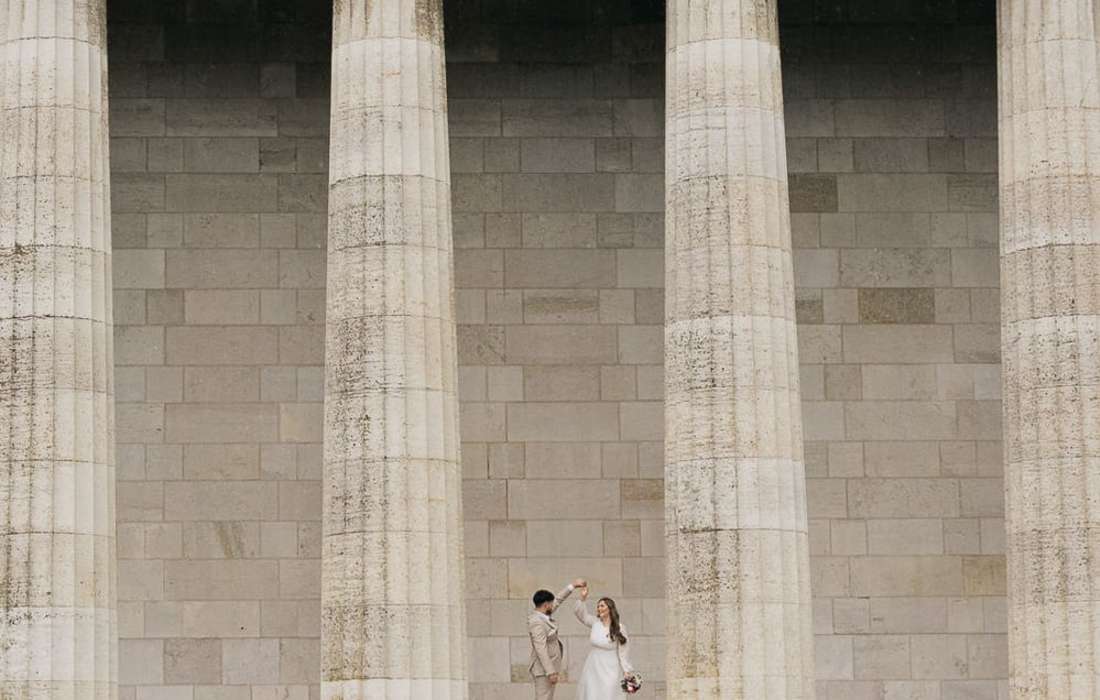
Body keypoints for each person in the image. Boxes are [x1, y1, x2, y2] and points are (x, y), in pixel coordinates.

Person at [528, 578, 586, 700]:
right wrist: (550, 672)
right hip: (543, 670)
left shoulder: (543, 614)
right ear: (545, 605)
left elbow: (558, 600)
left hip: (549, 667)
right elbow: (540, 649)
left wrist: (573, 586)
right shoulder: (536, 622)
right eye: (551, 603)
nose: (553, 605)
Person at [573, 585, 635, 700]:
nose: (599, 608)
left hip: (611, 667)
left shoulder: (620, 627)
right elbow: (580, 614)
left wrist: (627, 670)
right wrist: (582, 598)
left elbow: (624, 650)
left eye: (602, 605)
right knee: (593, 694)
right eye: (598, 606)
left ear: (610, 608)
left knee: (609, 693)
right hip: (593, 666)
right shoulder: (595, 623)